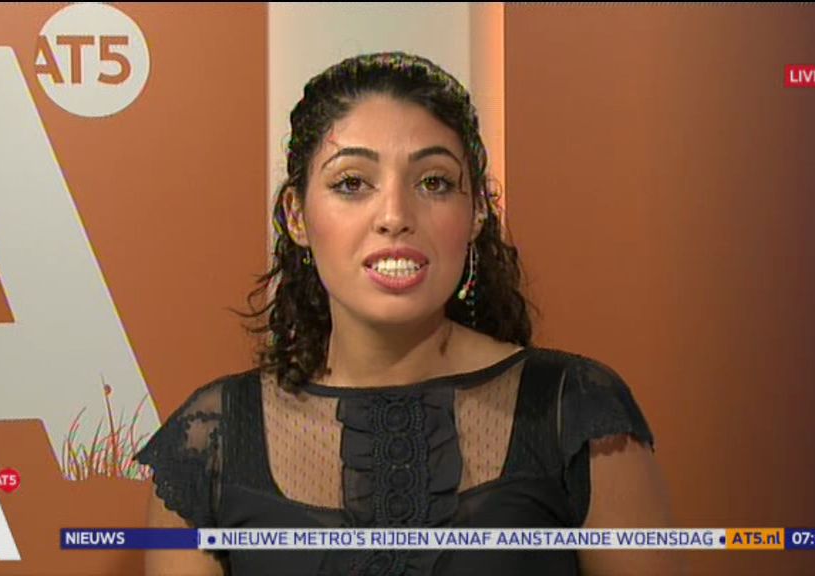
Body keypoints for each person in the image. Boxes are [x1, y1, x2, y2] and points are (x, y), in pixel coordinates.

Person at [135, 51, 680, 576]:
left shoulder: (576, 410)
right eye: (352, 183)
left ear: (476, 212)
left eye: (433, 182)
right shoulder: (210, 442)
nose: (395, 215)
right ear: (296, 216)